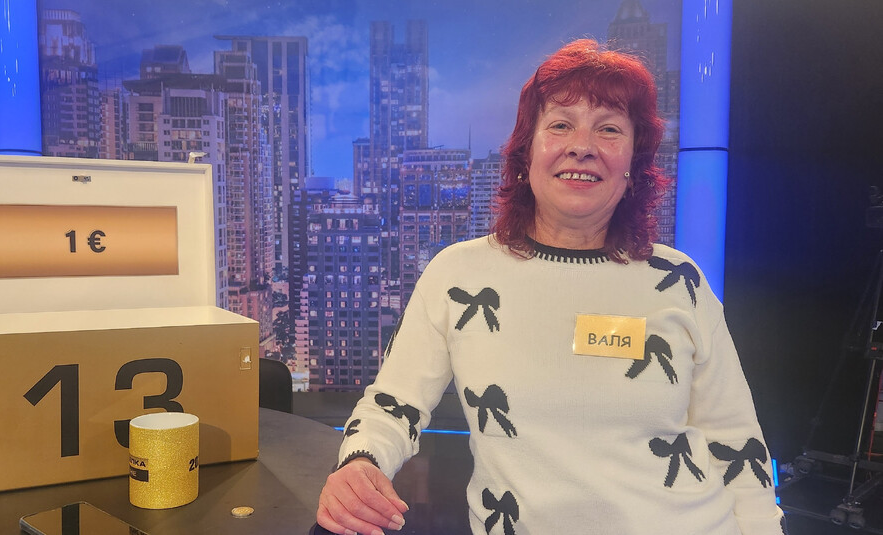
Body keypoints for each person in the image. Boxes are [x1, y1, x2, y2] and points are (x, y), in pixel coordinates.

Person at [316, 39, 785, 535]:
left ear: (634, 163)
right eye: (560, 125)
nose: (582, 145)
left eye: (609, 129)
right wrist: (360, 462)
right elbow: (392, 406)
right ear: (526, 152)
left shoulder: (679, 280)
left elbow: (737, 443)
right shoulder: (458, 274)